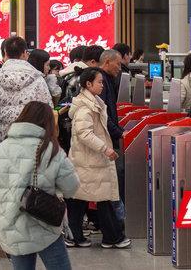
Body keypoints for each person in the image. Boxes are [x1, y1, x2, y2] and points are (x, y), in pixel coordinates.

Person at [0, 101, 80, 270]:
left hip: (11, 225)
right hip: (44, 225)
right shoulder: (50, 149)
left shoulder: (0, 149)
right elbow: (71, 187)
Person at [66, 67, 129, 249]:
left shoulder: (93, 103)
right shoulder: (85, 108)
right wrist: (105, 149)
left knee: (83, 199)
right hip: (89, 160)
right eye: (99, 82)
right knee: (101, 198)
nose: (102, 85)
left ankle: (77, 236)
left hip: (89, 161)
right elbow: (84, 133)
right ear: (88, 84)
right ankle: (112, 237)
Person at [0, 36, 53, 142]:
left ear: (5, 53)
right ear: (25, 53)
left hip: (4, 141)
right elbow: (48, 109)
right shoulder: (38, 80)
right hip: (31, 139)